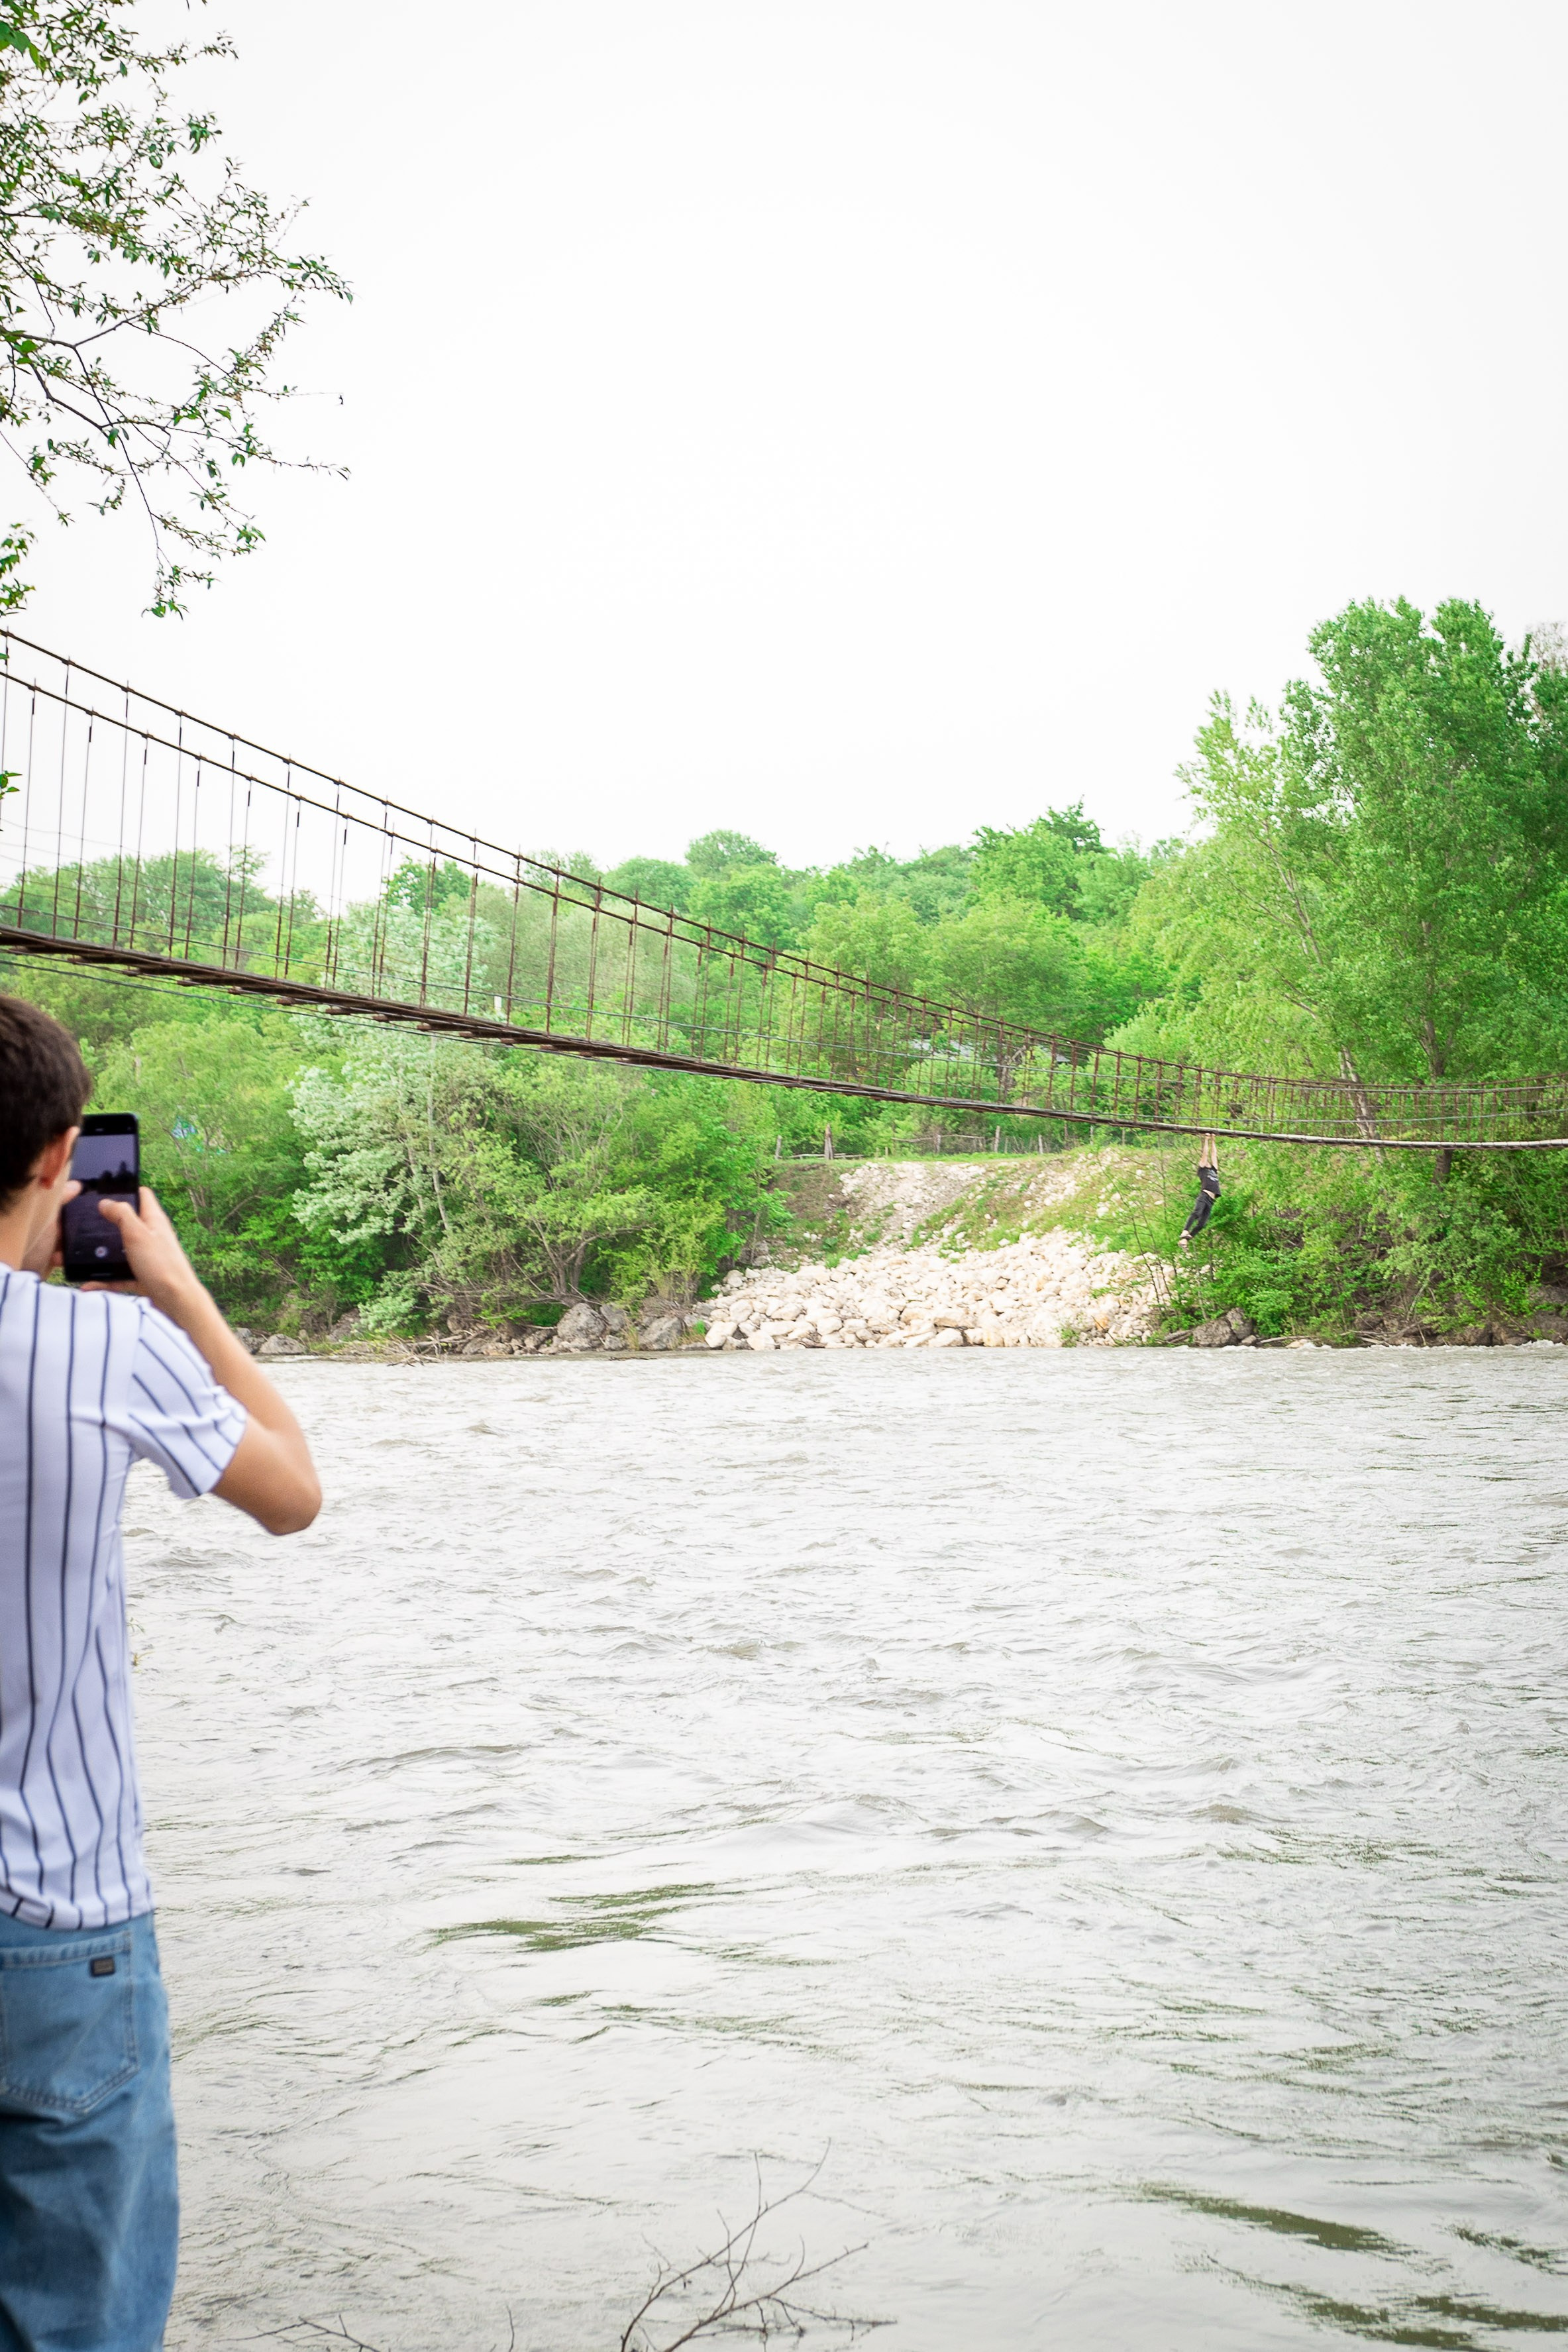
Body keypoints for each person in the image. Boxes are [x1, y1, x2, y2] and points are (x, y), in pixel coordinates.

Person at [0, 995, 320, 2352]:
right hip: (57, 1922)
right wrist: (177, 1290)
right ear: (66, 1153)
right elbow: (293, 1489)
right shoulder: (105, 1346)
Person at [1178, 1134, 1220, 1248]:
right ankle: (1185, 1231)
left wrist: (1213, 1140)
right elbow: (1206, 1155)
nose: (1207, 1162)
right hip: (1204, 1195)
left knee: (1202, 1224)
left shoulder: (1213, 1169)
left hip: (1211, 1201)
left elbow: (1214, 1155)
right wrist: (1206, 1140)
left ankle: (1186, 1240)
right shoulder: (1202, 1169)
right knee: (1196, 1213)